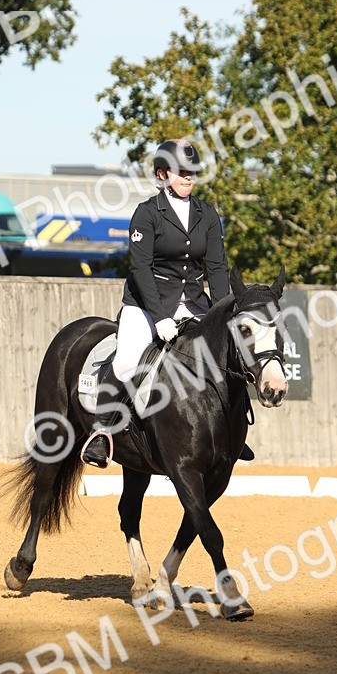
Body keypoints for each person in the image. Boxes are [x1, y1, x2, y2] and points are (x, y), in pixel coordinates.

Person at [81, 138, 254, 467]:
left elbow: (217, 269)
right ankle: (101, 432)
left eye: (192, 172)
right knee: (127, 361)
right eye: (180, 172)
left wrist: (223, 314)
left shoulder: (207, 215)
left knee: (226, 353)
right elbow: (141, 269)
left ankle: (232, 431)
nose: (188, 177)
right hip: (147, 305)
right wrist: (159, 317)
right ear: (162, 174)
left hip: (194, 303)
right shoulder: (147, 214)